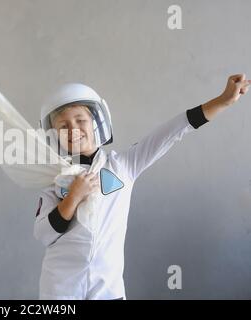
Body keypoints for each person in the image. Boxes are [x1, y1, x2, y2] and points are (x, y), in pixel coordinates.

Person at [33, 75, 251, 300]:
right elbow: (43, 234)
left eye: (80, 120)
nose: (73, 129)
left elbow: (174, 131)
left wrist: (223, 101)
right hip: (59, 292)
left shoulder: (123, 166)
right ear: (53, 135)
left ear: (96, 121)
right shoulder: (54, 182)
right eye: (63, 125)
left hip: (108, 292)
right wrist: (73, 197)